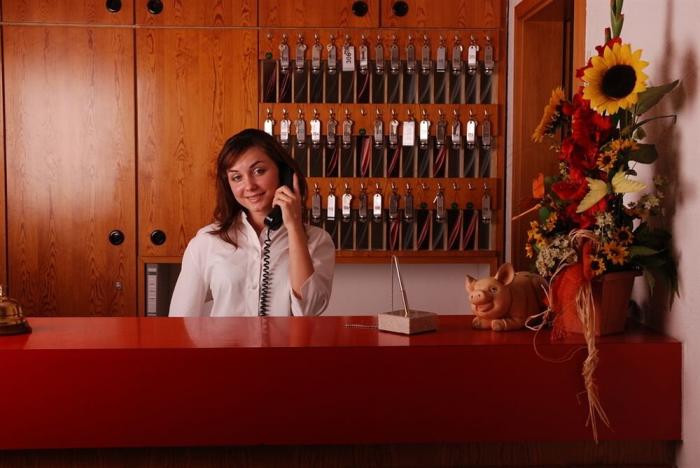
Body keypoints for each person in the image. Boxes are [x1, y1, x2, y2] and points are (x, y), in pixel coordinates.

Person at [169, 128, 335, 317]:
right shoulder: (206, 241)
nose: (249, 186)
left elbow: (309, 310)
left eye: (259, 171)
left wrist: (295, 228)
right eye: (237, 177)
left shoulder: (317, 240)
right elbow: (180, 319)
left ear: (284, 173)